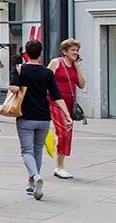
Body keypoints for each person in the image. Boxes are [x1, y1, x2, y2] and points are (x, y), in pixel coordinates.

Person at [12, 39, 72, 200]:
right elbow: (56, 96)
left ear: (26, 52)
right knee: (37, 150)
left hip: (26, 116)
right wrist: (67, 115)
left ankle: (36, 176)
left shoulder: (20, 69)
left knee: (26, 151)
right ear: (40, 53)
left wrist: (17, 85)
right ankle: (32, 184)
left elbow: (13, 88)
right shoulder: (47, 73)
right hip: (44, 117)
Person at [47, 39, 86, 179]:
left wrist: (78, 66)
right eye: (73, 50)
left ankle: (61, 164)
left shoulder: (74, 66)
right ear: (64, 51)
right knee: (63, 132)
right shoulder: (56, 63)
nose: (75, 53)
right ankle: (59, 167)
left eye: (77, 50)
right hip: (56, 102)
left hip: (70, 104)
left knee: (67, 133)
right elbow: (45, 80)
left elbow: (81, 84)